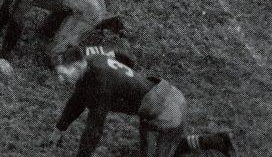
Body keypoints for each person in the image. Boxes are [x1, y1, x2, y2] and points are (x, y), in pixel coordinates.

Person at [52, 47, 236, 157]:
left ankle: (217, 141)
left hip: (166, 111)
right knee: (160, 149)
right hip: (163, 96)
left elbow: (94, 128)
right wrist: (60, 127)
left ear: (76, 65)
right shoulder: (91, 60)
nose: (61, 80)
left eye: (63, 74)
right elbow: (78, 99)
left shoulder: (99, 84)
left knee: (161, 152)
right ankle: (217, 141)